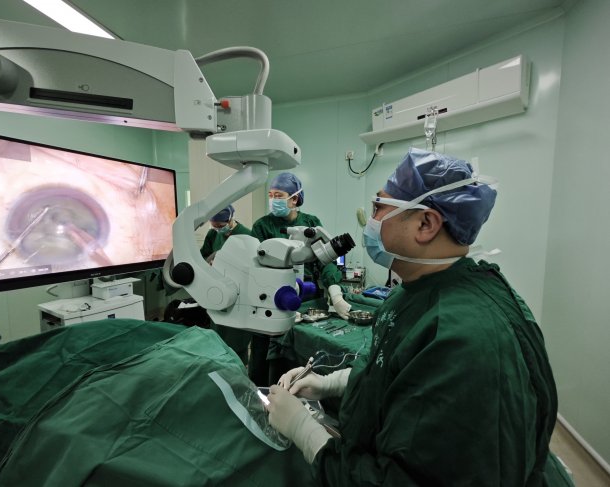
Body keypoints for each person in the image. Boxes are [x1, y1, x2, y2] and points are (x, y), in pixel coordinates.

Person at [265, 148, 572, 486]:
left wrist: (306, 432)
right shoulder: (411, 291)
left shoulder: (463, 339)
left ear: (426, 224)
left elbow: (406, 480)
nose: (371, 220)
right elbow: (395, 368)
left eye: (379, 207)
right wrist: (331, 383)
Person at [249, 172, 351, 385]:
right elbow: (255, 268)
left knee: (298, 360)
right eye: (270, 195)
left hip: (306, 300)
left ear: (294, 199)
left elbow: (325, 260)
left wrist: (335, 293)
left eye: (278, 195)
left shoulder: (311, 223)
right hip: (270, 303)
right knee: (263, 366)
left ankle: (298, 393)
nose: (273, 200)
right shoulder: (262, 226)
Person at [200, 205, 252, 363]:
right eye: (214, 226)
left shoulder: (246, 235)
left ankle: (240, 366)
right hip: (218, 289)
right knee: (218, 333)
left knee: (236, 338)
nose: (217, 229)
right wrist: (209, 264)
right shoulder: (212, 234)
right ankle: (220, 366)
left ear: (230, 219)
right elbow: (203, 257)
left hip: (240, 294)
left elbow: (252, 265)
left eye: (220, 226)